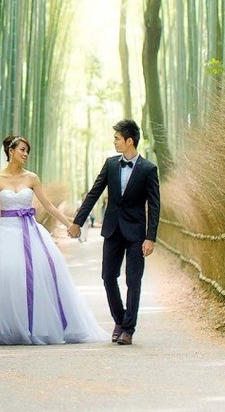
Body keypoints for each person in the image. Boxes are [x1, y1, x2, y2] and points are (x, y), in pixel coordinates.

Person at [0, 134, 108, 345]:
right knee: (5, 276)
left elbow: (48, 205)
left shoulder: (32, 178)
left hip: (30, 232)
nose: (25, 154)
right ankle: (7, 326)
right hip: (5, 230)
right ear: (11, 151)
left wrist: (70, 224)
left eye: (27, 151)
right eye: (22, 150)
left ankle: (35, 326)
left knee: (36, 275)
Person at [68, 119, 160, 346]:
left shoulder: (148, 169)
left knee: (133, 280)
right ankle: (120, 320)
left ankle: (128, 329)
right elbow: (94, 193)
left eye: (117, 138)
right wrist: (77, 222)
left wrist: (150, 237)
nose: (115, 142)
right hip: (112, 230)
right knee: (108, 277)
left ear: (130, 141)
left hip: (136, 233)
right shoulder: (110, 164)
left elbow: (155, 205)